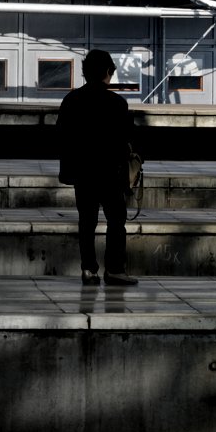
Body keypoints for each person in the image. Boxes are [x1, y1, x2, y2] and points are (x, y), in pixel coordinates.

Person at [57, 49, 138, 286]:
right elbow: (125, 141)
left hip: (83, 174)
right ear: (107, 72)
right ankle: (114, 269)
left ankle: (88, 269)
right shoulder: (117, 104)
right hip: (110, 173)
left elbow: (62, 136)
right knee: (116, 221)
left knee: (87, 222)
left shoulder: (71, 100)